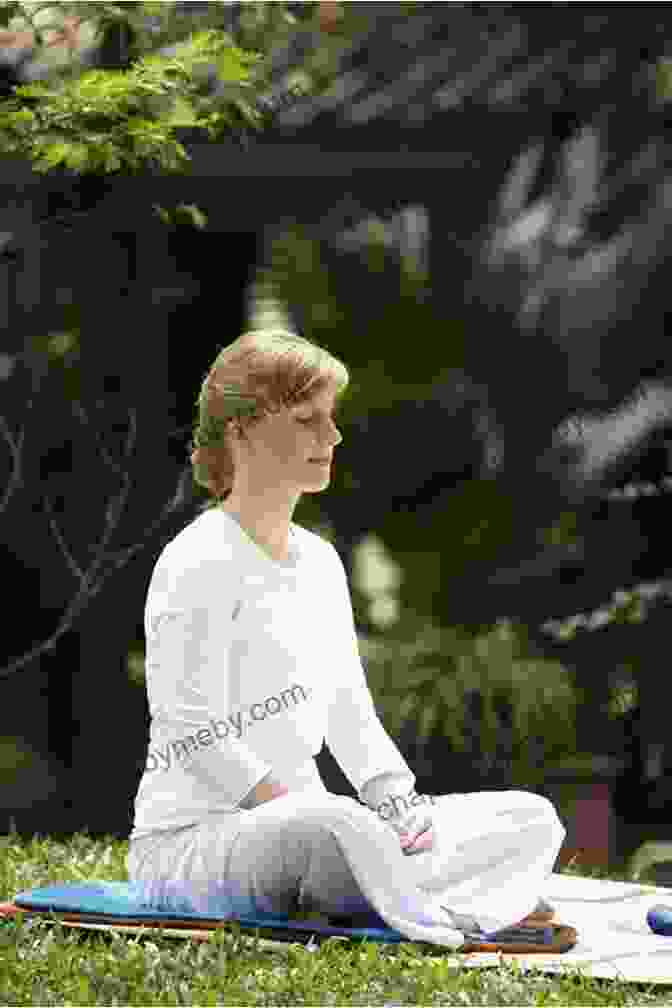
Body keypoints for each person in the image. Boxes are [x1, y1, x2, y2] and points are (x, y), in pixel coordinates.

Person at [126, 327, 565, 939]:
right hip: (196, 846)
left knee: (531, 818)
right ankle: (448, 901)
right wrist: (303, 808)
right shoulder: (195, 559)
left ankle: (401, 884)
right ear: (241, 431)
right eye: (307, 420)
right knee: (339, 831)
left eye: (328, 419)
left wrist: (399, 807)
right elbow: (190, 730)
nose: (330, 437)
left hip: (316, 828)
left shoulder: (321, 562)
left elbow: (347, 711)